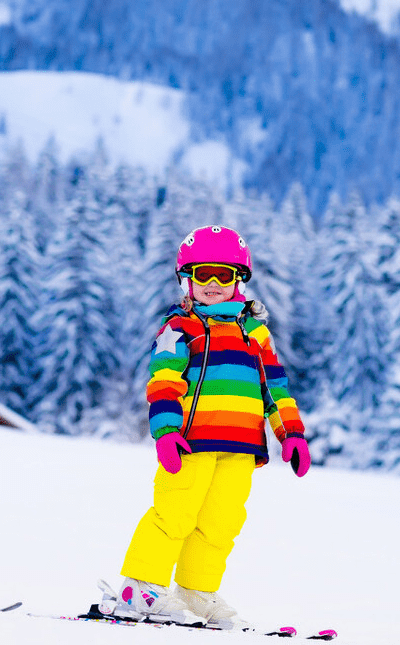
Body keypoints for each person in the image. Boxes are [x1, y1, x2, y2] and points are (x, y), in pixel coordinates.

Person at [98, 225, 309, 628]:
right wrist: (165, 432)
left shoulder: (255, 333)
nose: (212, 284)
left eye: (223, 275)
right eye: (202, 274)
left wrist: (291, 434)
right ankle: (140, 587)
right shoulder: (181, 328)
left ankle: (195, 592)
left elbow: (276, 389)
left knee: (221, 522)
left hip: (243, 447)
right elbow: (163, 382)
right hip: (192, 442)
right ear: (186, 278)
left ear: (239, 280)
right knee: (174, 512)